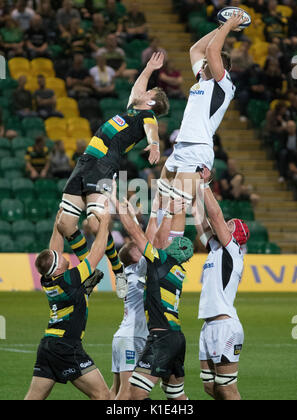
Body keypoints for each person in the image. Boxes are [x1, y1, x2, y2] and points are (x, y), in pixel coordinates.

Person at [57, 52, 169, 300]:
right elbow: (137, 88)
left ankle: (118, 271)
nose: (145, 91)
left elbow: (152, 131)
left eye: (150, 92)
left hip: (103, 166)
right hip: (86, 161)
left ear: (151, 102)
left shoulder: (147, 116)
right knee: (64, 224)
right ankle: (90, 270)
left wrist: (155, 145)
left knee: (96, 224)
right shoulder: (132, 110)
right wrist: (149, 67)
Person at [157, 13, 243, 244]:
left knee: (176, 208)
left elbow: (212, 52)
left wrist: (229, 27)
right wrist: (220, 28)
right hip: (180, 149)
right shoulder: (202, 81)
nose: (203, 63)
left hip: (197, 150)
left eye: (208, 63)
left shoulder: (223, 86)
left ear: (220, 69)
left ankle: (170, 259)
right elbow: (196, 49)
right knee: (161, 204)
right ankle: (154, 252)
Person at [112, 191, 193, 400]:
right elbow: (155, 239)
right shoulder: (178, 269)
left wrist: (166, 212)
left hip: (161, 336)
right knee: (176, 395)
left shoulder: (158, 262)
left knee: (135, 394)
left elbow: (140, 234)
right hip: (177, 336)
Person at [24, 207, 110, 400]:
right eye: (59, 258)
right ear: (57, 269)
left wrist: (57, 226)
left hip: (48, 345)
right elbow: (96, 254)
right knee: (103, 396)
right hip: (66, 346)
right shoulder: (70, 279)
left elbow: (53, 251)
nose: (62, 255)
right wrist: (104, 223)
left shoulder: (48, 280)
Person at [194, 176, 249, 401]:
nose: (224, 223)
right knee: (211, 387)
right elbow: (200, 220)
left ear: (235, 236)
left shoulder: (232, 250)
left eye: (229, 225)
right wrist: (191, 192)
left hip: (225, 325)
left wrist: (203, 184)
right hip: (209, 326)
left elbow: (214, 216)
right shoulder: (217, 249)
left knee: (227, 389)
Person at [110, 241, 149, 400]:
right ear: (133, 257)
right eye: (138, 250)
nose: (142, 250)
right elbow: (150, 248)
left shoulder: (126, 274)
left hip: (121, 337)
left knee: (115, 389)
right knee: (127, 392)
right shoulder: (137, 271)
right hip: (131, 338)